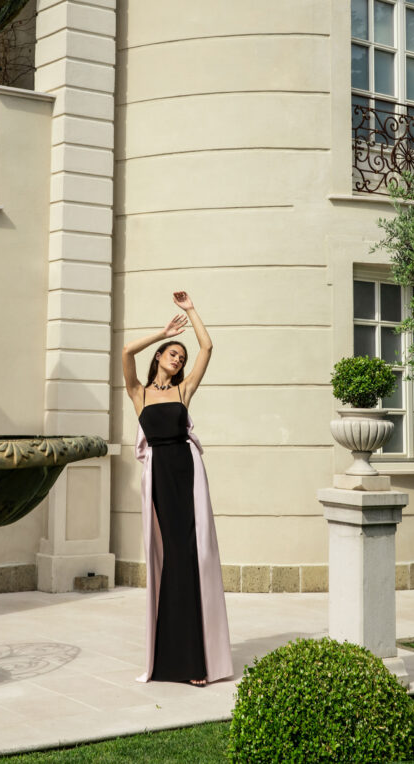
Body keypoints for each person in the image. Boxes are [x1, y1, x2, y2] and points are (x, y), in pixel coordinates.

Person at [122, 290, 233, 685]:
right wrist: (163, 332)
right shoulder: (139, 393)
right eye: (173, 354)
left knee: (191, 554)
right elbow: (125, 352)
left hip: (187, 472)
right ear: (159, 357)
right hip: (158, 477)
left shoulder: (183, 391)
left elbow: (207, 347)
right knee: (169, 555)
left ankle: (195, 662)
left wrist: (191, 310)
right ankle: (170, 659)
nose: (179, 359)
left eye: (181, 358)